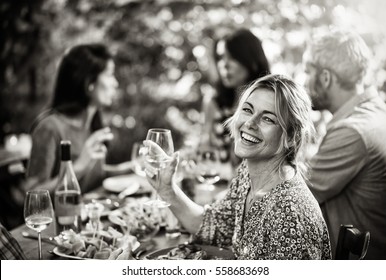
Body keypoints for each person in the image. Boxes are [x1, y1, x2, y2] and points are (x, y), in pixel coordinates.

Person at [144, 74, 331, 260]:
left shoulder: (290, 214)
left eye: (268, 119)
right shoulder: (248, 173)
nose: (250, 123)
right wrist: (167, 189)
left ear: (291, 137)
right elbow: (215, 225)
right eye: (248, 110)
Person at [303, 29, 386, 259]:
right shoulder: (379, 112)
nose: (303, 82)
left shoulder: (351, 131)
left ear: (325, 77)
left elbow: (295, 198)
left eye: (307, 72)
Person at [27, 44, 133, 193]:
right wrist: (79, 167)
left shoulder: (92, 124)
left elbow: (96, 177)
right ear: (89, 83)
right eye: (109, 75)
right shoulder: (50, 127)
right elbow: (33, 194)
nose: (115, 83)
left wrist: (132, 167)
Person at [200, 28, 270, 164]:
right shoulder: (214, 102)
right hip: (217, 181)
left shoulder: (270, 104)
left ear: (251, 61)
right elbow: (204, 151)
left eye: (232, 58)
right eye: (220, 57)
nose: (224, 65)